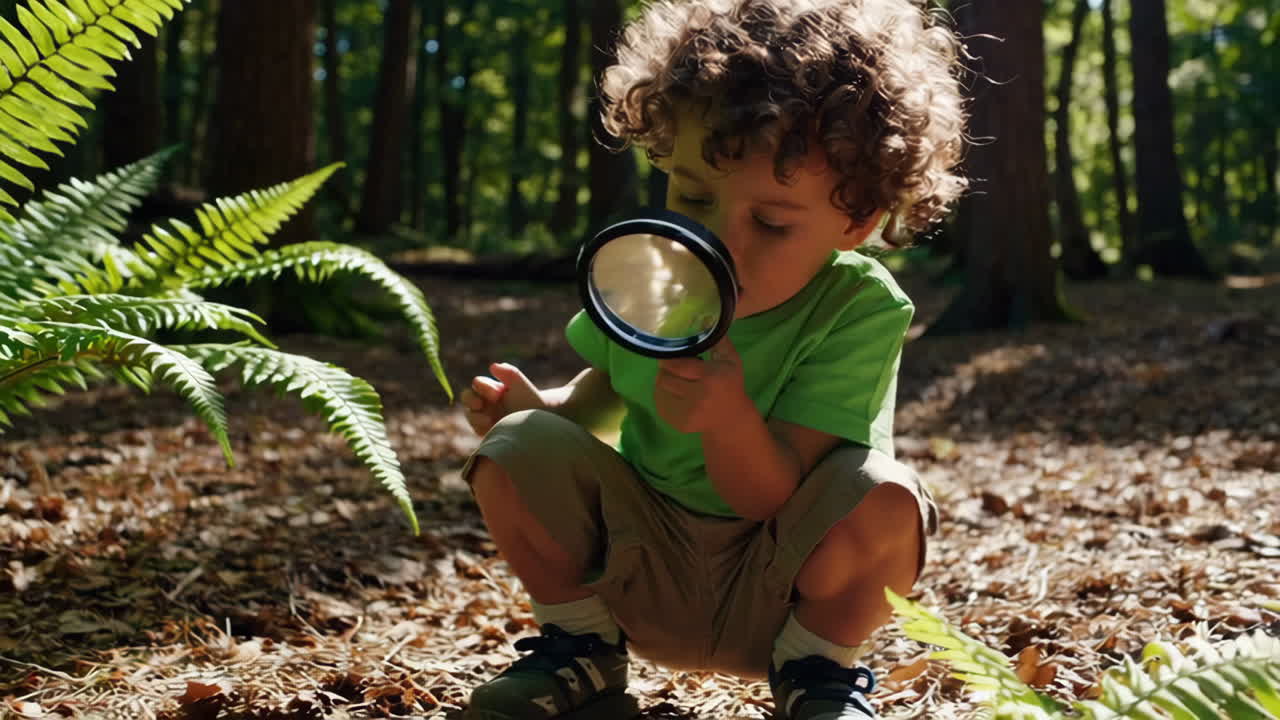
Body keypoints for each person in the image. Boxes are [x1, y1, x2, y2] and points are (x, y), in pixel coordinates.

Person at [457, 1, 967, 718]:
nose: (720, 241)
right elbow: (602, 399)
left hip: (778, 586)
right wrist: (537, 412)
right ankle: (581, 650)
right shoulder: (652, 278)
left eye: (770, 221)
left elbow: (774, 495)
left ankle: (817, 674)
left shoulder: (857, 310)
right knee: (514, 450)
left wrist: (727, 417)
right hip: (637, 566)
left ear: (855, 220)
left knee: (885, 497)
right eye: (693, 196)